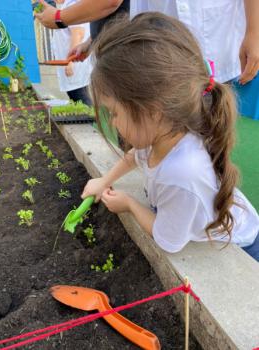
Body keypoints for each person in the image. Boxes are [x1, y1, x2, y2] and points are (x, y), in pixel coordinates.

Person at [81, 13, 259, 261]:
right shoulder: (164, 133)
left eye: (114, 113)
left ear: (153, 111)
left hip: (244, 246)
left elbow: (169, 240)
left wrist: (129, 204)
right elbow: (135, 157)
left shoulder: (181, 173)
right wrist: (104, 181)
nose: (112, 122)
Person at [35, 0, 259, 85]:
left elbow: (109, 2)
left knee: (205, 132)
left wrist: (59, 18)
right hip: (163, 44)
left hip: (214, 35)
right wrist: (92, 41)